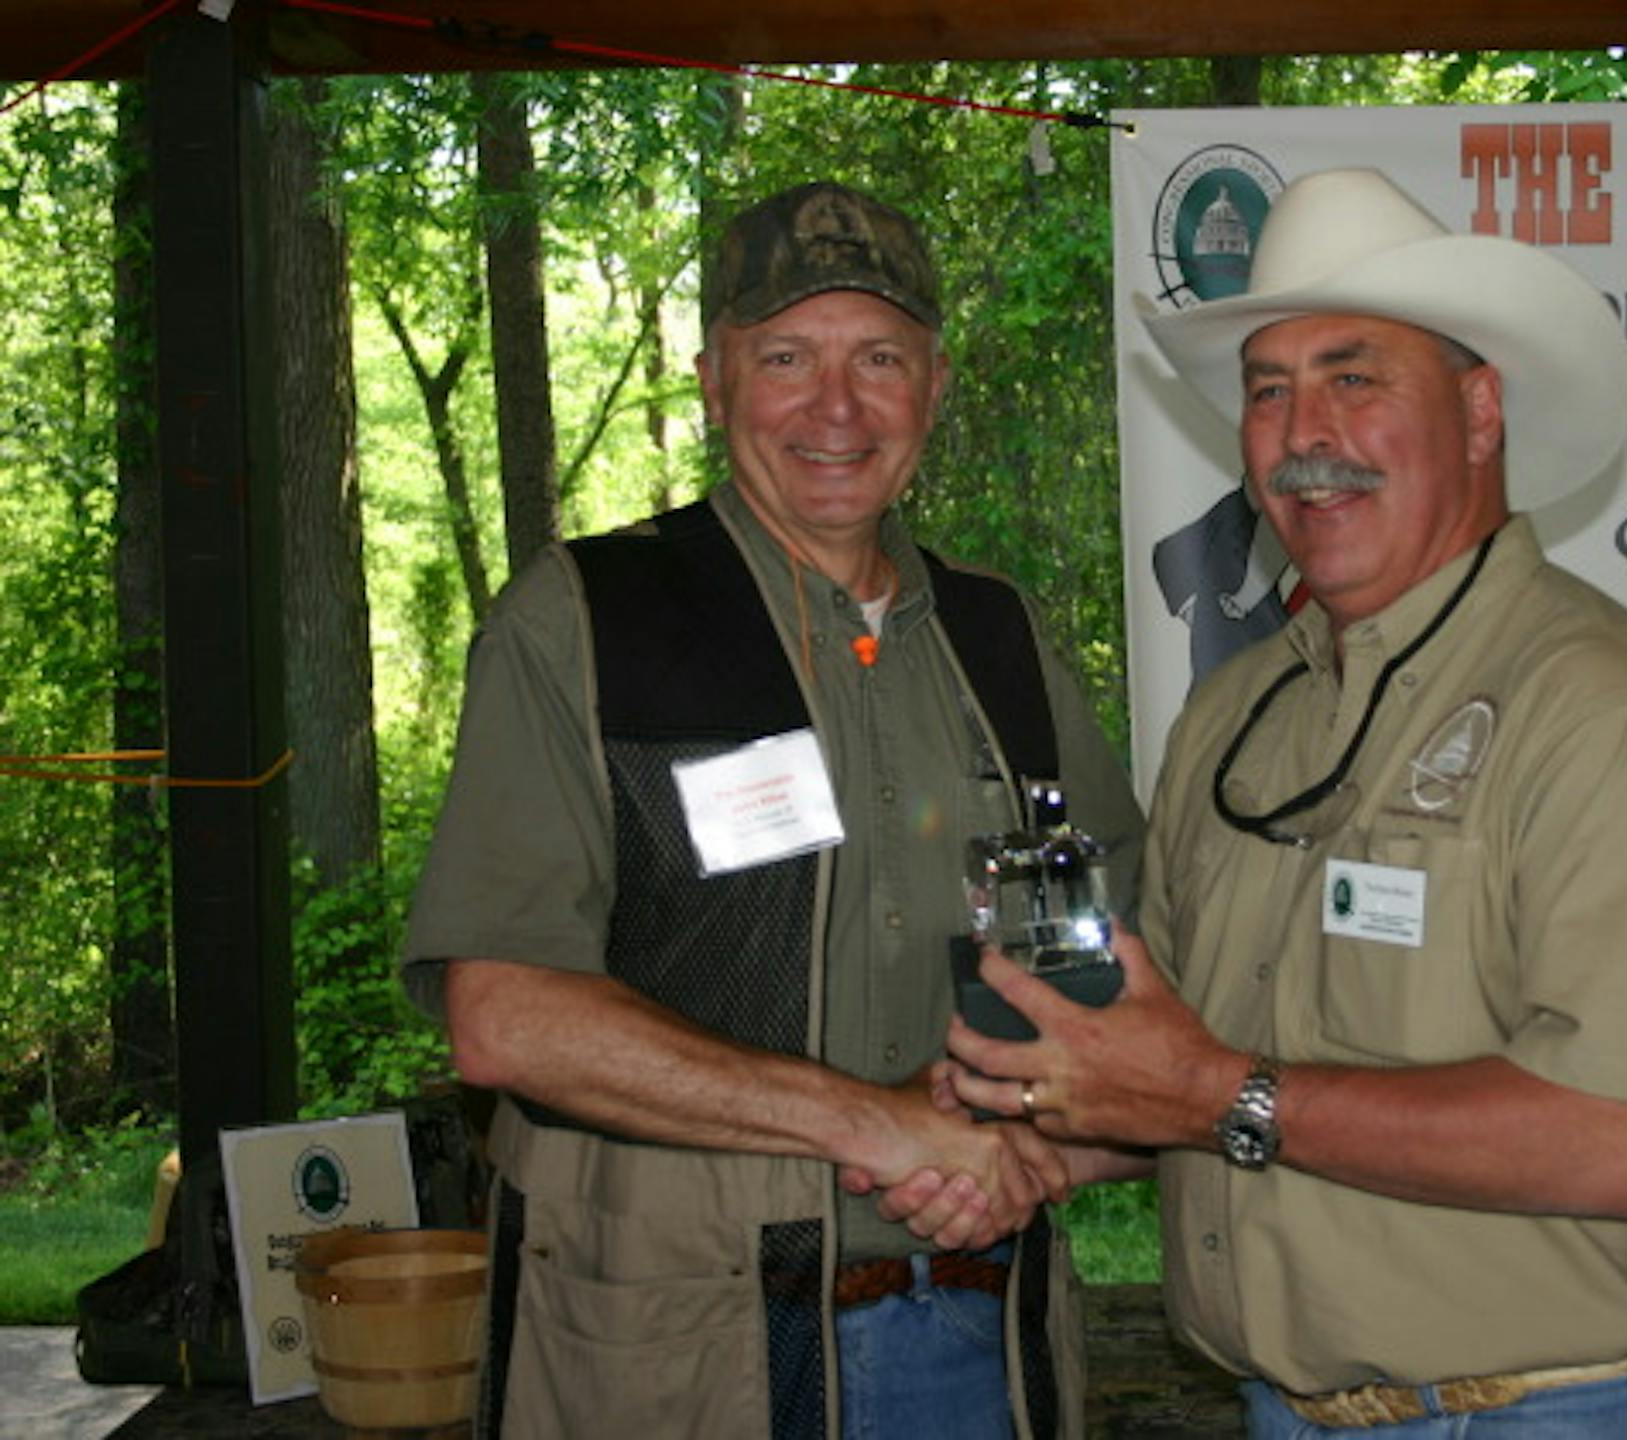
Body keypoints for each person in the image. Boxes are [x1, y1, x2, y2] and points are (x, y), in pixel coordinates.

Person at [917, 167, 1627, 1437]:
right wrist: (1051, 1122)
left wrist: (1212, 1095)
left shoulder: (1613, 713)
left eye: (1354, 376)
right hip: (1292, 1408)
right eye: (1267, 389)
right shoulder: (1237, 715)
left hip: (1548, 1413)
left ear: (1480, 411)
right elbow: (1205, 1068)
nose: (1299, 430)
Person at [402, 180, 1143, 1440]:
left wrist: (1037, 1155)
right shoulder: (587, 622)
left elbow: (1125, 978)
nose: (836, 408)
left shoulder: (1001, 641)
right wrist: (879, 1126)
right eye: (788, 357)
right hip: (680, 1354)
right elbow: (505, 1019)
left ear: (937, 384)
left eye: (880, 359)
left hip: (980, 1332)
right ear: (712, 377)